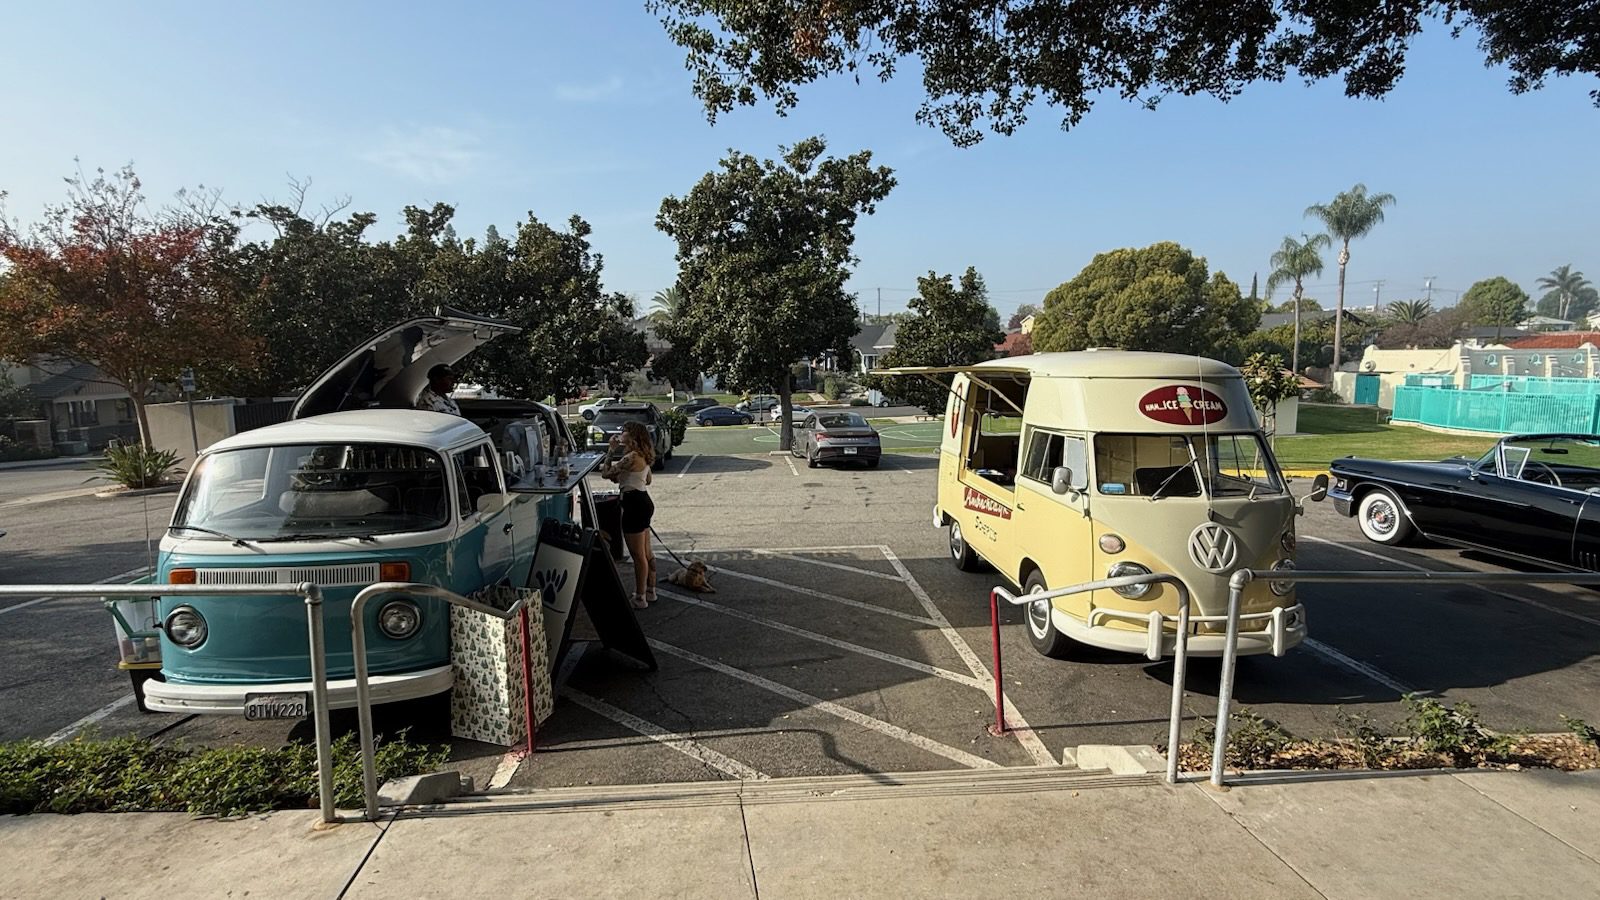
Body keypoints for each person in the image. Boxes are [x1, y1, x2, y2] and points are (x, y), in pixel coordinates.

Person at [599, 421, 656, 609]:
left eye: (623, 431)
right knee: (646, 552)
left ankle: (640, 598)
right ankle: (650, 590)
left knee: (637, 555)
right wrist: (624, 477)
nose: (619, 433)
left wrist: (610, 450)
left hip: (633, 505)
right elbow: (646, 480)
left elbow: (606, 474)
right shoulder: (643, 455)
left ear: (632, 436)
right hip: (643, 501)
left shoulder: (630, 457)